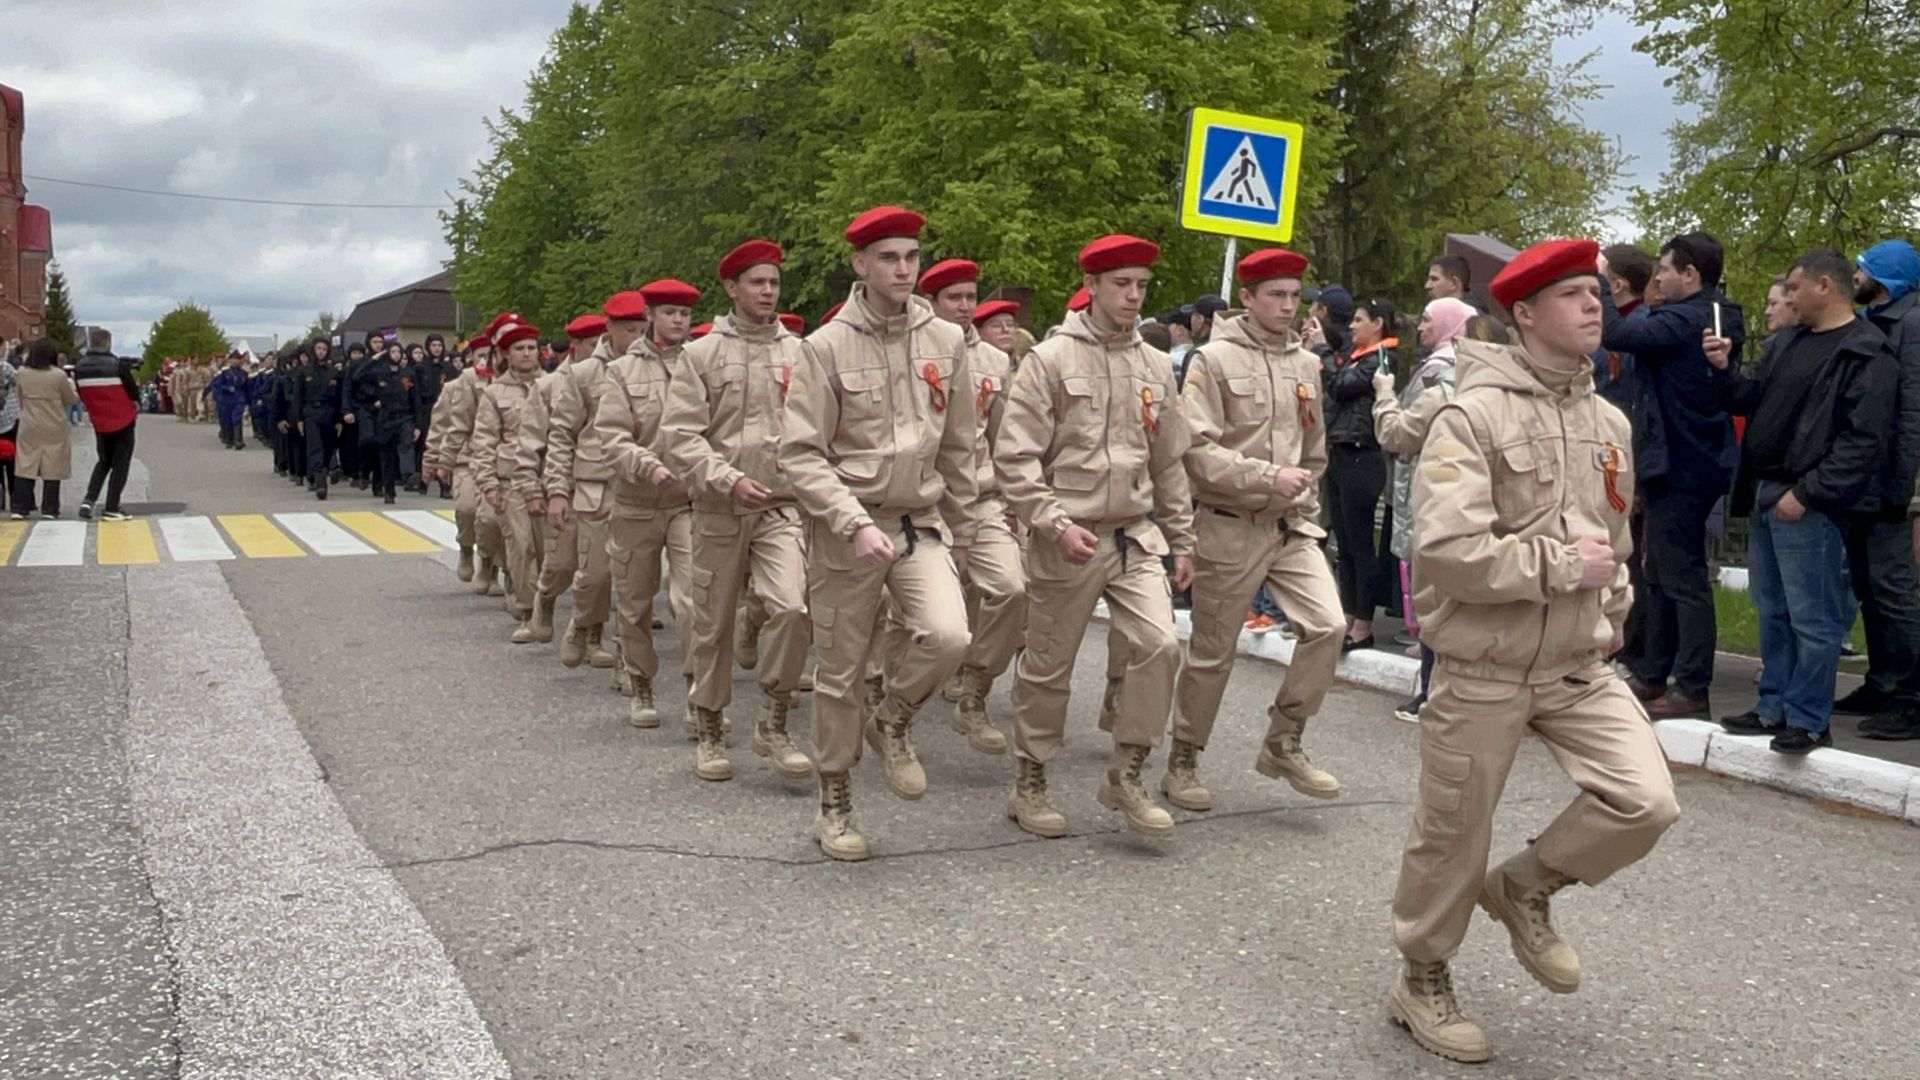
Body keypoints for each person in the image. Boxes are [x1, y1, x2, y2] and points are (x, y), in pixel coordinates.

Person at [1389, 238, 1678, 1064]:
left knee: (1645, 801)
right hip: (1484, 663)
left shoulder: (1608, 418)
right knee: (1452, 834)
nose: (1596, 305)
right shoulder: (1470, 414)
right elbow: (1445, 551)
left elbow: (1615, 539)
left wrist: (1613, 603)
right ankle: (1423, 976)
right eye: (1573, 295)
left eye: (1597, 293)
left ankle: (1524, 888)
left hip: (1577, 665)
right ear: (1523, 314)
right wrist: (1562, 568)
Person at [779, 205, 976, 861]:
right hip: (848, 531)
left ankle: (894, 716)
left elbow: (959, 446)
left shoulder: (947, 341)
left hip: (921, 523)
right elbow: (801, 454)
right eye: (888, 257)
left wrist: (969, 526)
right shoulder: (825, 348)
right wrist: (850, 521)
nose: (903, 269)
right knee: (838, 674)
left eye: (911, 257)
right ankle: (835, 803)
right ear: (860, 265)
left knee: (950, 636)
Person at [995, 233, 1194, 839]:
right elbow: (1015, 458)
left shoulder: (1156, 365)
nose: (1133, 296)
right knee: (1049, 668)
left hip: (1134, 536)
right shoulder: (1049, 361)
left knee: (1160, 646)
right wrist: (1053, 522)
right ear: (1091, 288)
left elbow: (1169, 461)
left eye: (1141, 285)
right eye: (1121, 285)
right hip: (1067, 536)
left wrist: (1182, 540)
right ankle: (1030, 778)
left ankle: (1127, 771)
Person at [1168, 247, 1342, 811]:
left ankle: (1284, 739)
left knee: (1328, 626)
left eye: (1294, 296)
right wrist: (1268, 476)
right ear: (1247, 297)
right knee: (1213, 653)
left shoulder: (1307, 364)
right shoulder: (1211, 360)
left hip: (1289, 527)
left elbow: (1314, 449)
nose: (1288, 306)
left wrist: (1303, 497)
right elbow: (1194, 450)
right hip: (1227, 525)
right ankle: (1184, 758)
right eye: (1276, 295)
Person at [1712, 248, 1899, 753]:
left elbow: (1863, 439)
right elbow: (1748, 398)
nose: (1787, 298)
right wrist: (1725, 368)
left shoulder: (1866, 351)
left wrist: (1808, 493)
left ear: (1824, 286)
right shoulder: (1788, 342)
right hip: (1767, 492)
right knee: (1771, 609)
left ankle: (1810, 718)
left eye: (1794, 288)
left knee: (1813, 619)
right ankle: (1772, 705)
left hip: (1809, 502)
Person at [663, 240, 814, 778]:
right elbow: (680, 437)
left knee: (793, 607)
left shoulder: (801, 354)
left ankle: (773, 721)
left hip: (782, 505)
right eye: (757, 282)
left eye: (774, 282)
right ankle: (709, 724)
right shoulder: (700, 355)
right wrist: (726, 479)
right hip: (719, 507)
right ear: (732, 288)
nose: (768, 291)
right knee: (713, 622)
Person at [1602, 231, 1744, 719]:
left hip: (1684, 463)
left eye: (1665, 270)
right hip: (1677, 461)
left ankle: (1692, 685)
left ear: (1691, 274)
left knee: (1682, 576)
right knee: (1659, 572)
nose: (1656, 279)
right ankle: (1653, 672)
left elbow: (1615, 334)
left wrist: (1598, 278)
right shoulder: (1701, 318)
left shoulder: (1687, 319)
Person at [908, 261, 1026, 756]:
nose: (964, 307)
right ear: (932, 303)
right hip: (916, 502)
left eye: (970, 297)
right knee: (901, 617)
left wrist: (1018, 501)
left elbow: (1008, 440)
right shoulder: (909, 350)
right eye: (953, 298)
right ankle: (893, 703)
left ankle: (974, 692)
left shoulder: (996, 364)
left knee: (1011, 590)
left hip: (980, 498)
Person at [594, 279, 700, 754]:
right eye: (671, 313)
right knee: (635, 602)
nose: (679, 321)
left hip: (688, 502)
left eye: (685, 314)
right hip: (637, 501)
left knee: (695, 600)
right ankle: (641, 684)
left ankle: (701, 697)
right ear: (651, 315)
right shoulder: (620, 372)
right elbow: (611, 436)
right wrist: (645, 464)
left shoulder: (703, 363)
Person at [1372, 297, 1477, 722]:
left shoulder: (1440, 375)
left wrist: (1384, 397)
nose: (1423, 326)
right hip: (1451, 495)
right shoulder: (1466, 371)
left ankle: (1434, 692)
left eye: (1431, 319)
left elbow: (1400, 434)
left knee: (1433, 598)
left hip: (1430, 494)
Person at [1833, 239, 1920, 740]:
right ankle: (1883, 681)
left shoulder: (1909, 327)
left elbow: (1911, 413)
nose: (1855, 277)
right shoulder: (1874, 324)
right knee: (1870, 589)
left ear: (1883, 278)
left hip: (1889, 481)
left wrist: (1900, 484)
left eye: (1862, 270)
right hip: (1862, 482)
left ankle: (1909, 696)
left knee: (1894, 591)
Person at [548, 293, 642, 671]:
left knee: (635, 584)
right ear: (610, 330)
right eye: (630, 330)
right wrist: (556, 490)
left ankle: (628, 665)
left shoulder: (660, 369)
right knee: (596, 574)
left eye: (643, 329)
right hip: (596, 484)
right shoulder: (582, 374)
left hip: (642, 485)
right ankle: (582, 621)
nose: (638, 338)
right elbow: (561, 435)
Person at [515, 315, 604, 645]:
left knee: (601, 570)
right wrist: (532, 489)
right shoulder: (549, 386)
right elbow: (531, 441)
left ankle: (592, 636)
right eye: (594, 345)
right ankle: (546, 599)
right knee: (563, 564)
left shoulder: (614, 377)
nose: (601, 351)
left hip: (599, 485)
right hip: (562, 488)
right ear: (576, 347)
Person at [1324, 297, 1394, 651]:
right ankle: (1349, 616)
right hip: (1339, 453)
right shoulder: (1356, 359)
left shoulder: (1380, 359)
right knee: (1345, 545)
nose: (1351, 327)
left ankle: (1364, 625)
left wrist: (1323, 352)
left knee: (1362, 544)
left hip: (1361, 455)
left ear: (1378, 324)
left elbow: (1340, 387)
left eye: (1359, 320)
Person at [472, 317, 545, 630]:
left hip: (547, 476)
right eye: (520, 348)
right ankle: (529, 609)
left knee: (549, 550)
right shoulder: (494, 393)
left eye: (532, 347)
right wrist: (488, 483)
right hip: (511, 478)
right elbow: (484, 440)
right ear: (506, 354)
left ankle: (545, 601)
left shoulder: (554, 386)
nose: (528, 353)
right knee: (521, 544)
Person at [425, 331, 501, 577]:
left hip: (501, 459)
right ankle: (466, 547)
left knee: (494, 518)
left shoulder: (506, 382)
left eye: (491, 355)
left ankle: (490, 562)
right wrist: (433, 461)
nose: (486, 361)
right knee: (467, 509)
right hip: (467, 457)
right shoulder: (456, 387)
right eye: (481, 356)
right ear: (471, 357)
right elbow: (441, 426)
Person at [71, 329, 141, 521]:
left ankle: (89, 500)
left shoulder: (80, 367)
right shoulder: (118, 365)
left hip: (100, 421)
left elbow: (81, 393)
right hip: (122, 420)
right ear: (108, 343)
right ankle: (112, 506)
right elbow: (133, 393)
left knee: (103, 461)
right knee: (121, 463)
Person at [9, 340, 78, 518]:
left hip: (29, 424)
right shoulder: (58, 375)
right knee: (53, 465)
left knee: (26, 464)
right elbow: (70, 399)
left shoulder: (22, 373)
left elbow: (19, 395)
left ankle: (20, 506)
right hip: (54, 424)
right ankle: (50, 508)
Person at [348, 341, 420, 504]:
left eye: (398, 351)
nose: (396, 355)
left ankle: (409, 475)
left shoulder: (408, 374)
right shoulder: (379, 372)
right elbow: (357, 376)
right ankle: (389, 491)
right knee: (387, 457)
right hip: (386, 419)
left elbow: (415, 399)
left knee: (406, 443)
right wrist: (374, 359)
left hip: (405, 417)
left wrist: (417, 425)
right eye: (392, 351)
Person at [293, 339, 345, 500]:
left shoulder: (333, 372)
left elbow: (339, 397)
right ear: (313, 350)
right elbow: (298, 397)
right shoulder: (304, 372)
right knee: (315, 447)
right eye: (318, 348)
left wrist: (339, 420)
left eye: (324, 348)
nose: (321, 351)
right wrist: (299, 419)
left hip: (329, 412)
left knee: (328, 447)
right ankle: (320, 482)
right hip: (310, 412)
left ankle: (324, 472)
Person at [209, 352, 252, 450]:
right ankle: (229, 439)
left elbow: (247, 388)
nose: (234, 361)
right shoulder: (224, 373)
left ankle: (238, 441)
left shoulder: (244, 373)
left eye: (237, 359)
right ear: (229, 361)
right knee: (227, 419)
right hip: (227, 399)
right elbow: (217, 385)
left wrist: (249, 401)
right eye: (232, 359)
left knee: (237, 418)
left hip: (239, 398)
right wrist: (227, 388)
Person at [0, 345, 18, 510]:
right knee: (13, 462)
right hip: (9, 420)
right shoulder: (6, 368)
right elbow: (20, 383)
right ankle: (16, 500)